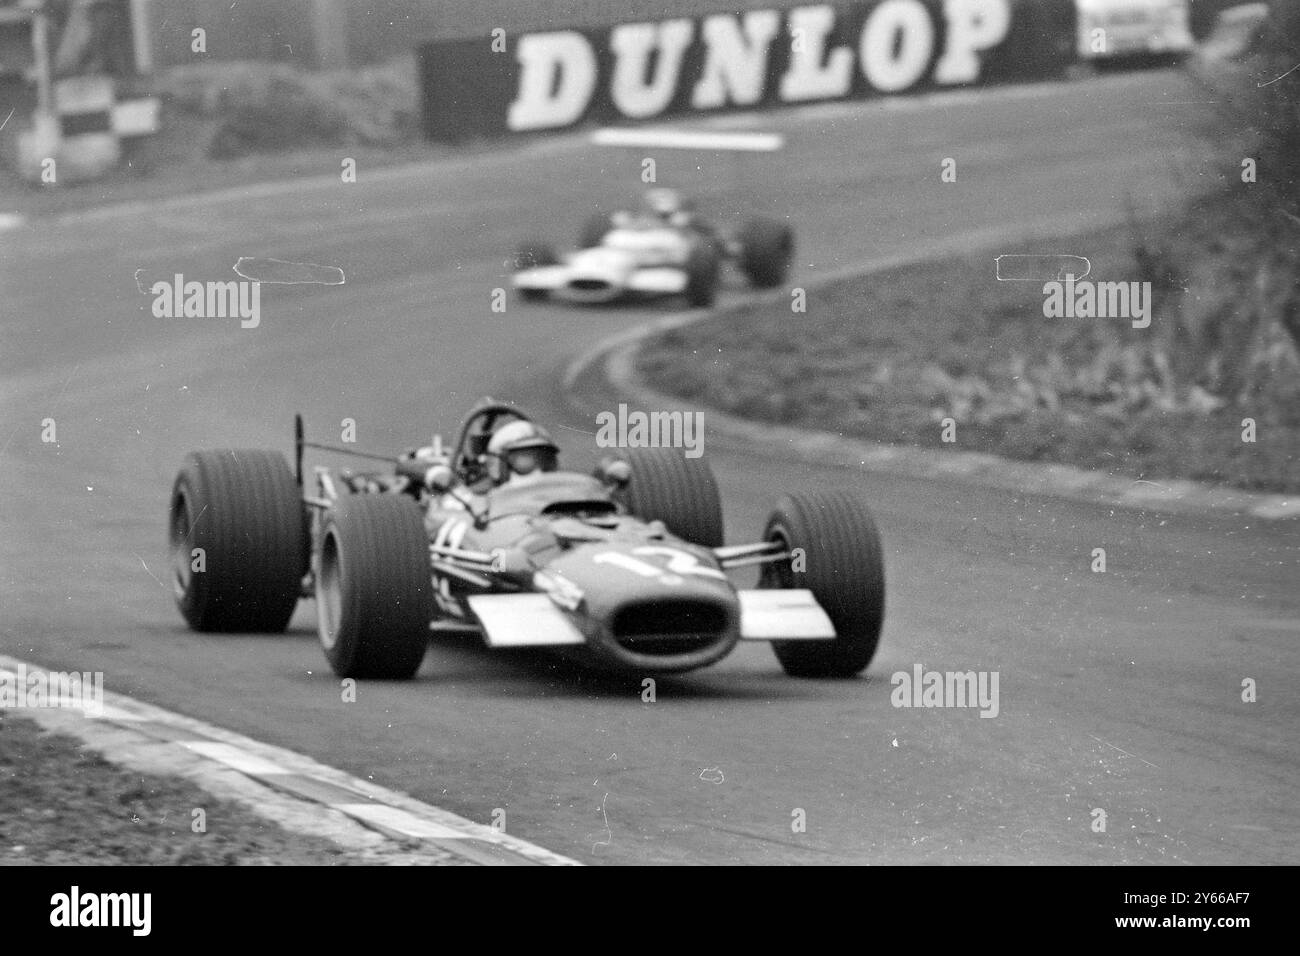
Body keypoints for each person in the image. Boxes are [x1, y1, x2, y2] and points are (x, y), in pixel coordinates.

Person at [483, 420, 560, 488]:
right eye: (525, 461)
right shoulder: (480, 501)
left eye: (546, 461)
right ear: (497, 466)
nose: (538, 472)